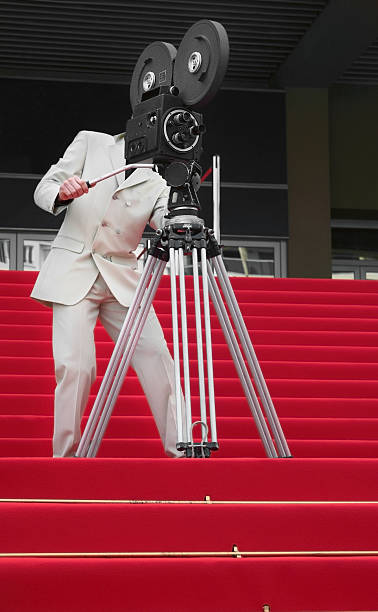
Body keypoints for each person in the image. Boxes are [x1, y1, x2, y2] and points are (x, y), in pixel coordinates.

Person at [31, 129, 183, 458]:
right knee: (76, 366)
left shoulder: (159, 178)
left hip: (122, 280)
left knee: (158, 358)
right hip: (75, 271)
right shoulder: (92, 142)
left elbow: (164, 219)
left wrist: (180, 216)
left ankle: (182, 449)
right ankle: (67, 458)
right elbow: (44, 188)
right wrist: (62, 192)